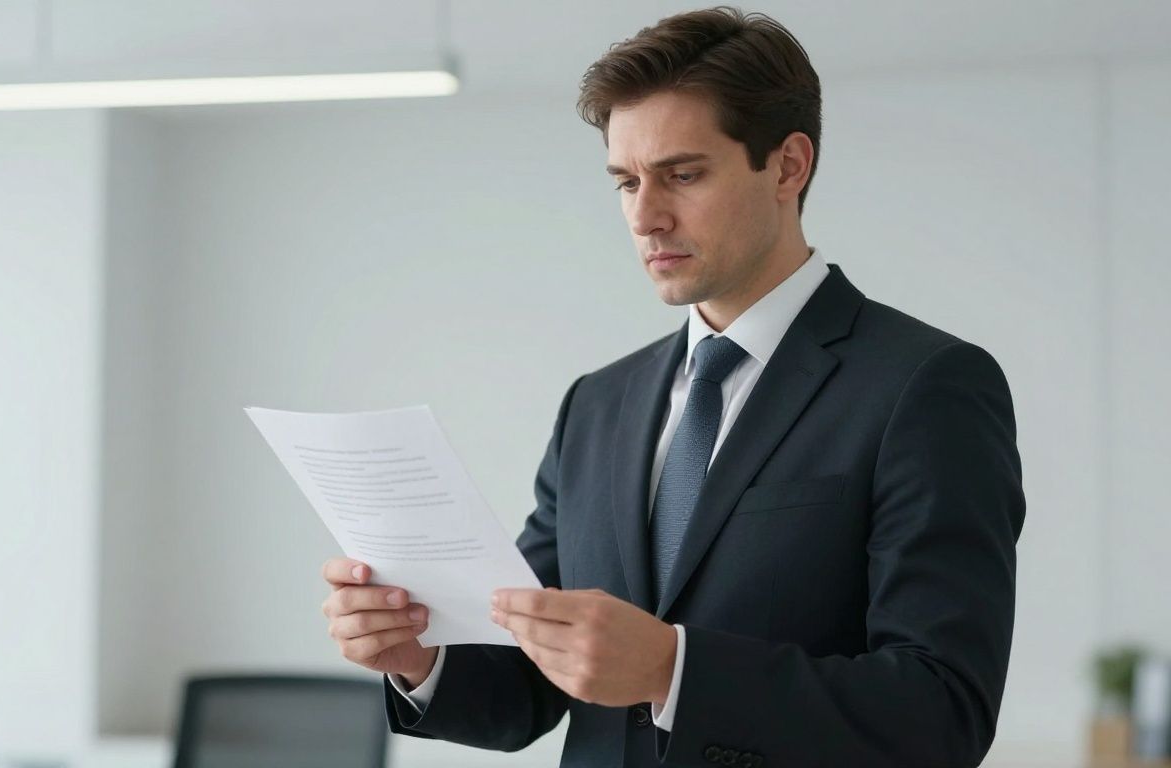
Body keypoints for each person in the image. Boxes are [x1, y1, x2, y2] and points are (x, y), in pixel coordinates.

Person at [320, 7, 1024, 767]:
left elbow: (941, 712)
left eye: (682, 175)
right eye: (626, 182)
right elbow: (527, 685)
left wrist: (672, 669)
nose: (646, 216)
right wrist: (417, 657)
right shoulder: (598, 404)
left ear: (788, 166)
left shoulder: (925, 387)